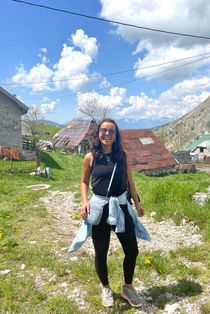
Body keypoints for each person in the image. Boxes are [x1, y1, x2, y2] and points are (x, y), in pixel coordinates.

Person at [77, 118, 150, 308]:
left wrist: (137, 203)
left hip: (121, 205)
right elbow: (84, 182)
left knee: (132, 250)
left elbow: (130, 182)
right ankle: (106, 287)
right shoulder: (90, 157)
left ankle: (127, 287)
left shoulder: (122, 155)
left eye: (111, 131)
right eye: (103, 130)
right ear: (98, 133)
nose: (107, 134)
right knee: (101, 252)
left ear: (116, 135)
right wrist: (84, 201)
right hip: (100, 208)